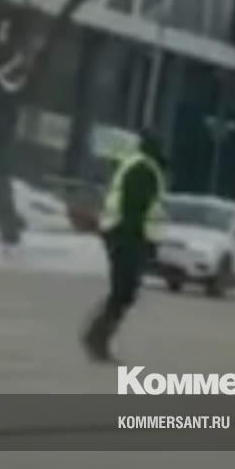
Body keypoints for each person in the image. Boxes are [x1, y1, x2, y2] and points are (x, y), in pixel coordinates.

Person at [81, 130, 166, 363]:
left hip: (122, 235)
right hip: (127, 237)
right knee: (124, 291)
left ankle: (97, 337)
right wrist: (140, 242)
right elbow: (134, 209)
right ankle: (96, 338)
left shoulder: (137, 165)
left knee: (124, 291)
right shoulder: (144, 169)